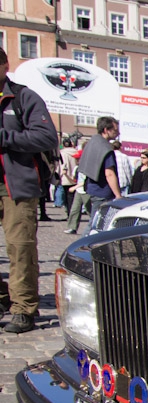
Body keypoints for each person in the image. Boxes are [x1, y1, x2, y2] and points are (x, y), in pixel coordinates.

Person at [0, 46, 59, 333]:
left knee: (20, 248)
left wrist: (6, 137)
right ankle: (2, 296)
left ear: (4, 65)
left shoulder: (23, 97)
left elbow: (46, 136)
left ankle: (24, 308)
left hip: (16, 185)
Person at [67, 116, 122, 235]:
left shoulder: (93, 141)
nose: (118, 133)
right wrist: (118, 195)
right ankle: (84, 246)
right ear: (106, 130)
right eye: (115, 130)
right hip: (102, 190)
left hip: (92, 187)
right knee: (96, 223)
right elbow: (109, 174)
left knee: (97, 221)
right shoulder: (105, 147)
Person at [58, 137, 79, 218]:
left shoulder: (62, 153)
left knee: (66, 197)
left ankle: (69, 213)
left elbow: (60, 165)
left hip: (65, 176)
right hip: (74, 177)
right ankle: (72, 213)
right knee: (73, 197)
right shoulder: (76, 152)